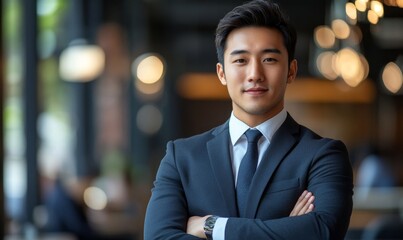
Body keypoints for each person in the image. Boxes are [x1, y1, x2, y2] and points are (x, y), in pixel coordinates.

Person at [144, 0, 353, 239]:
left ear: (291, 71)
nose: (255, 74)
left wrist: (212, 227)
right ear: (222, 73)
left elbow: (322, 230)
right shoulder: (181, 158)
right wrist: (285, 229)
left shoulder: (323, 155)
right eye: (241, 60)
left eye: (269, 60)